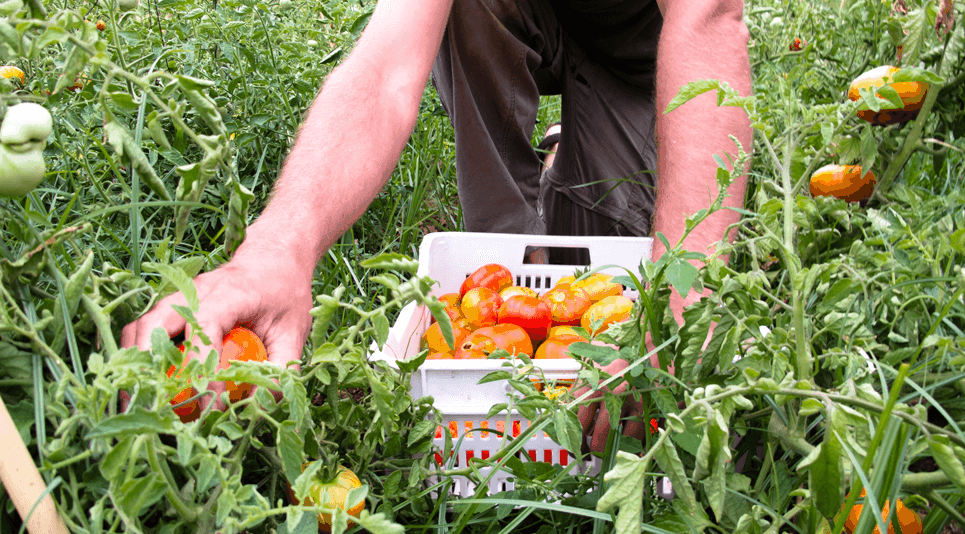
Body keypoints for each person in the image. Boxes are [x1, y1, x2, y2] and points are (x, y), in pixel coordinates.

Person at [121, 0, 752, 452]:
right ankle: (503, 247)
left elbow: (707, 16)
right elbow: (388, 67)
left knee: (618, 263)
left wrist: (680, 300)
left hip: (640, 54)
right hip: (517, 14)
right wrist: (276, 250)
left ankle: (569, 152)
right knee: (523, 300)